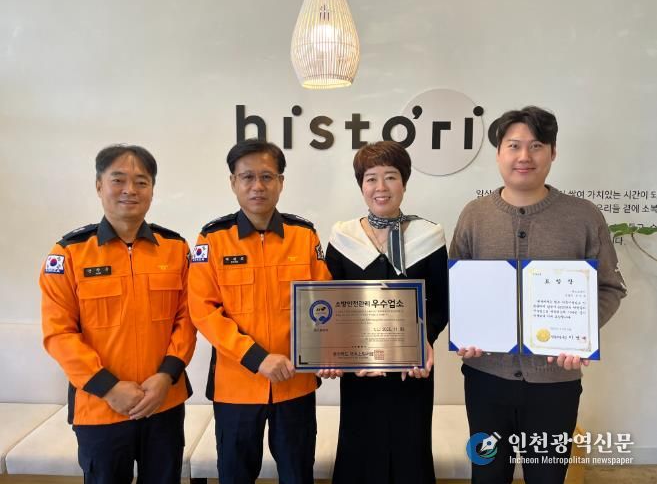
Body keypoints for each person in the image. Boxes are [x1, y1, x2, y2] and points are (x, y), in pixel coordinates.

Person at [449, 106, 627, 484]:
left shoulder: (583, 216)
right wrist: (465, 332)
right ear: (499, 153)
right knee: (487, 476)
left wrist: (581, 335)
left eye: (536, 146)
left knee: (547, 477)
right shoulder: (474, 215)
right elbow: (457, 286)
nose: (524, 156)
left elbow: (610, 287)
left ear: (553, 152)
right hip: (485, 381)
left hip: (555, 384)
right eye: (514, 146)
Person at [39, 144, 197, 484]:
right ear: (99, 186)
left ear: (152, 189)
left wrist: (166, 377)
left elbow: (187, 319)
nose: (130, 190)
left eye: (141, 182)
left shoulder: (176, 249)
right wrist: (109, 388)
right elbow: (59, 334)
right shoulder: (69, 254)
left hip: (164, 402)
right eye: (118, 180)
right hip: (100, 408)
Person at [188, 138, 332, 484]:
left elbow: (325, 301)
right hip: (236, 387)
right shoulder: (212, 239)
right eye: (247, 177)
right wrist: (258, 358)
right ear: (233, 182)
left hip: (295, 384)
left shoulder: (304, 235)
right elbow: (204, 311)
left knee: (298, 475)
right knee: (235, 476)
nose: (257, 186)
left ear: (281, 182)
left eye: (267, 177)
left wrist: (328, 351)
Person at [321, 141, 449, 484]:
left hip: (412, 369)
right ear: (361, 185)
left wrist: (424, 340)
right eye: (371, 178)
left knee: (411, 448)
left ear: (404, 182)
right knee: (360, 448)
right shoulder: (343, 236)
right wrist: (336, 354)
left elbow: (441, 302)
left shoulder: (429, 235)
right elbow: (330, 302)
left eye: (391, 177)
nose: (381, 187)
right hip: (360, 371)